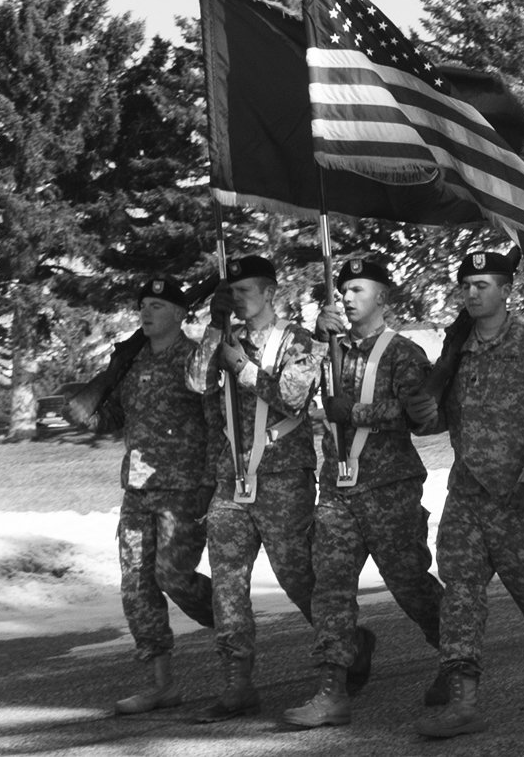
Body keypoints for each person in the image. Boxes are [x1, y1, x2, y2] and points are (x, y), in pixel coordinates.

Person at [412, 252, 524, 738]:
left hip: (519, 497)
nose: (472, 293)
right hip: (467, 496)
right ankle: (464, 701)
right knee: (460, 594)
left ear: (506, 291)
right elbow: (439, 420)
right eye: (466, 286)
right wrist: (424, 407)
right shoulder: (458, 350)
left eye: (483, 285)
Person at [280, 257, 447, 728]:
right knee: (330, 590)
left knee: (410, 584)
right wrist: (316, 342)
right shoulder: (327, 349)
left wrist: (354, 412)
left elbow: (422, 417)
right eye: (343, 291)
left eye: (358, 289)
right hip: (337, 490)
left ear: (382, 297)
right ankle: (332, 692)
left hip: (388, 488)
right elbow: (290, 397)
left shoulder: (403, 353)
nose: (348, 298)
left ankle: (457, 659)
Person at [65, 277, 216, 714]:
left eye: (157, 305)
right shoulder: (131, 363)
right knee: (135, 587)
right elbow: (111, 417)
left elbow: (217, 425)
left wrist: (210, 483)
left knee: (173, 576)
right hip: (137, 489)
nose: (146, 312)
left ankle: (233, 625)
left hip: (183, 489)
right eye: (143, 305)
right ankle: (160, 684)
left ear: (180, 314)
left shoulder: (195, 360)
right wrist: (82, 409)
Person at [185, 255, 321, 722]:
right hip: (233, 478)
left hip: (283, 476)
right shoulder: (225, 337)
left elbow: (293, 398)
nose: (238, 299)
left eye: (244, 291)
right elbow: (194, 382)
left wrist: (242, 367)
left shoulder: (297, 340)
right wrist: (213, 328)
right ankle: (237, 683)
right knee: (226, 583)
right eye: (231, 292)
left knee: (297, 576)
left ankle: (342, 645)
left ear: (269, 293)